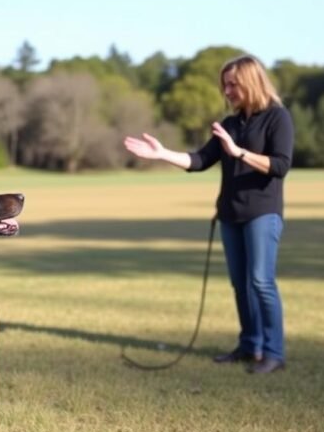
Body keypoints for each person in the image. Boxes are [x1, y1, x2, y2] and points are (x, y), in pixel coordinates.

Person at [123, 54, 294, 374]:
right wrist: (162, 154)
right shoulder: (230, 124)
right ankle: (249, 345)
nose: (227, 90)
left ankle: (274, 352)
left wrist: (239, 152)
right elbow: (199, 160)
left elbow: (281, 165)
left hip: (262, 213)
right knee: (240, 285)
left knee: (261, 281)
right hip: (229, 214)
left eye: (233, 84)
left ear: (251, 81)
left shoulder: (277, 118)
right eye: (224, 85)